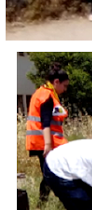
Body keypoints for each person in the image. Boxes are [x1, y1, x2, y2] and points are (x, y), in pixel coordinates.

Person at [25, 66, 70, 202]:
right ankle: (43, 203)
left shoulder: (42, 93)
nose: (65, 89)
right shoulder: (46, 96)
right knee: (51, 174)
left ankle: (44, 202)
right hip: (45, 143)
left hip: (43, 142)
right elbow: (45, 122)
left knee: (50, 174)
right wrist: (48, 145)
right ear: (56, 82)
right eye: (64, 85)